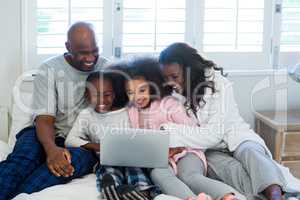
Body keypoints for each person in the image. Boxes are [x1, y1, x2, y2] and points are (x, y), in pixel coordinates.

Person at [158, 42, 300, 200]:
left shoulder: (219, 85)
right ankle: (264, 196)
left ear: (189, 70)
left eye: (175, 76)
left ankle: (275, 196)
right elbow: (207, 140)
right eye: (166, 78)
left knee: (252, 153)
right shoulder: (173, 98)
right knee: (230, 170)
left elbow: (213, 135)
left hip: (236, 135)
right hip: (209, 150)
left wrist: (170, 130)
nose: (170, 82)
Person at [0, 22, 108, 200]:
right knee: (21, 161)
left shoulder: (108, 69)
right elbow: (44, 118)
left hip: (81, 144)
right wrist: (51, 150)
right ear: (68, 47)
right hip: (43, 133)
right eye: (83, 52)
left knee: (57, 170)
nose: (90, 58)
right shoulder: (49, 69)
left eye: (94, 51)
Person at [122, 57, 243, 200]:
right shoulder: (131, 111)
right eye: (130, 92)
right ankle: (190, 199)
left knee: (189, 175)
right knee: (159, 175)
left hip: (186, 151)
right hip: (160, 158)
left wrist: (176, 148)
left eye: (142, 90)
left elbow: (190, 129)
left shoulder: (169, 104)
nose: (137, 97)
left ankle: (227, 196)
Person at [65, 70, 158, 200]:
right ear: (87, 95)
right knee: (108, 173)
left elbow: (140, 135)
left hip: (130, 158)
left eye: (107, 95)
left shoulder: (127, 112)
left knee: (136, 170)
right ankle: (112, 192)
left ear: (113, 95)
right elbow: (70, 140)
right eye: (96, 95)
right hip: (106, 160)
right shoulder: (86, 115)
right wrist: (98, 146)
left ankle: (142, 193)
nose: (102, 100)